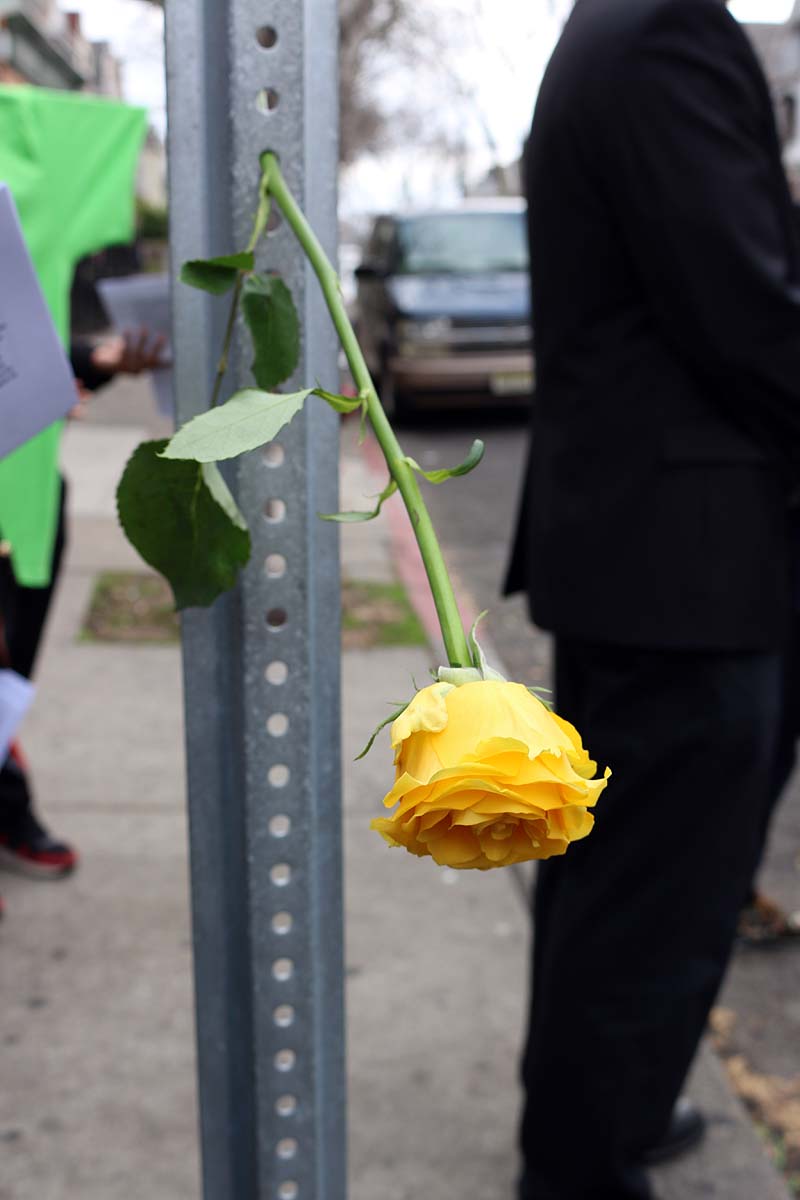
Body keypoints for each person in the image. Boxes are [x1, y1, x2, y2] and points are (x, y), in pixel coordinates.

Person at [504, 1, 800, 1196]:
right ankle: (581, 1158)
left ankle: (589, 1118)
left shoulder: (618, 26)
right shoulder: (663, 30)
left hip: (654, 557)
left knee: (617, 884)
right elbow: (747, 305)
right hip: (687, 569)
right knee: (653, 905)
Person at [0, 330, 167, 892]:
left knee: (8, 683)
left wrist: (83, 364)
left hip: (26, 505)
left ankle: (6, 809)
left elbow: (18, 322)